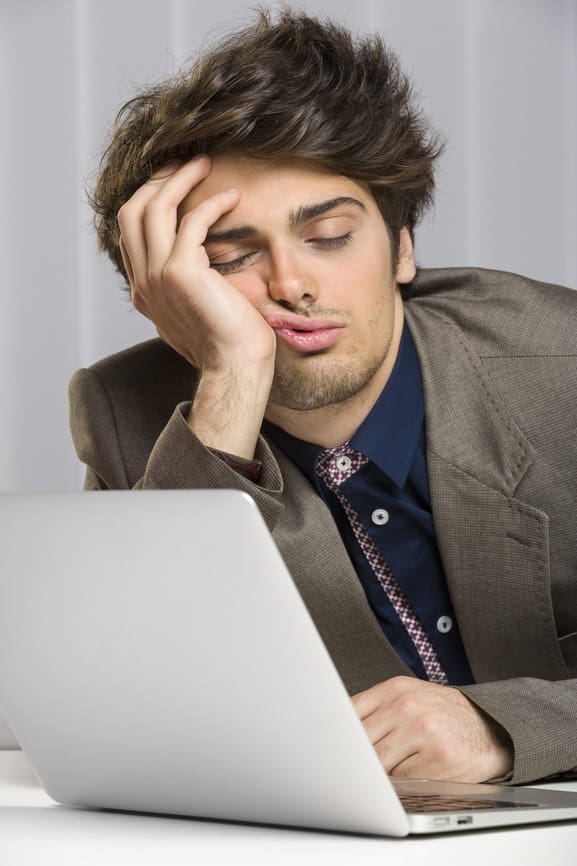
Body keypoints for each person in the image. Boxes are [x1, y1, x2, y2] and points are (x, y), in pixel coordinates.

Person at [69, 8, 577, 787]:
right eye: (232, 256)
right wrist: (233, 371)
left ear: (402, 244)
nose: (291, 285)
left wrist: (509, 727)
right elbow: (104, 708)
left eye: (330, 236)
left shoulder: (559, 367)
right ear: (165, 284)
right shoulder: (127, 414)